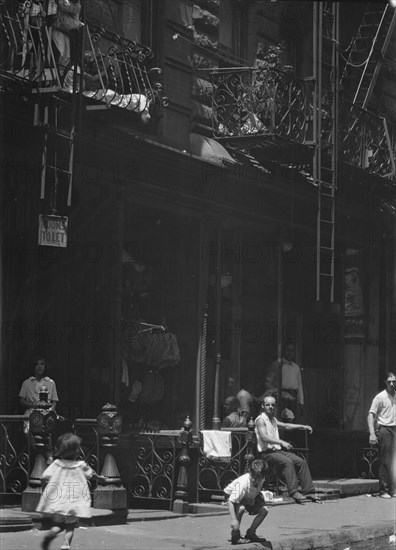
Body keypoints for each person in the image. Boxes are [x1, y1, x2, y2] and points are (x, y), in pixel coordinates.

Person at [36, 432, 106, 550]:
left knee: (58, 525)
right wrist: (100, 478)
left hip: (59, 502)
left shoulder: (56, 464)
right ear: (76, 451)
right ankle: (66, 544)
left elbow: (43, 477)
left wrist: (45, 489)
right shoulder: (80, 464)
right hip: (74, 502)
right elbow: (92, 474)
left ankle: (52, 532)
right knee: (70, 526)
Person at [255, 396, 320, 504]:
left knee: (301, 462)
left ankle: (309, 491)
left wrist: (302, 426)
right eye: (268, 405)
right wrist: (281, 442)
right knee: (288, 462)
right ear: (263, 406)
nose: (270, 407)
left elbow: (285, 425)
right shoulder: (261, 420)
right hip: (266, 453)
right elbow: (264, 437)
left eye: (272, 405)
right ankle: (293, 491)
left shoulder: (273, 419)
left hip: (277, 451)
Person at [224, 458, 269, 544]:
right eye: (254, 477)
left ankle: (251, 533)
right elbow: (231, 501)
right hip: (233, 496)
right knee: (241, 508)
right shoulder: (243, 483)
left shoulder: (262, 479)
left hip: (249, 497)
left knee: (264, 510)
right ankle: (235, 535)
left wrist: (253, 499)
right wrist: (234, 519)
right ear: (251, 474)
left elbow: (254, 491)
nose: (256, 480)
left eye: (259, 478)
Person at [367, 372, 396, 499]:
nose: (392, 384)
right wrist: (372, 433)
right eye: (389, 381)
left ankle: (393, 489)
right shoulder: (380, 397)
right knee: (386, 460)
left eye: (394, 381)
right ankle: (383, 489)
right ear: (385, 382)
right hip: (385, 429)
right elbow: (371, 415)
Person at [264, 344, 304, 421]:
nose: (290, 353)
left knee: (292, 422)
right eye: (288, 350)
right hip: (280, 398)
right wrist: (277, 394)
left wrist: (301, 402)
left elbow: (299, 385)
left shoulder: (296, 367)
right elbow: (268, 384)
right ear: (284, 352)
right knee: (281, 421)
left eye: (292, 351)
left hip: (293, 399)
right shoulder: (276, 365)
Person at [19, 356, 59, 434]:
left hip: (47, 412)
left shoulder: (51, 383)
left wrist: (51, 410)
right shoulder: (27, 383)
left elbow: (54, 401)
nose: (39, 366)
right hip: (31, 412)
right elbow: (22, 400)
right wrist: (33, 405)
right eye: (37, 364)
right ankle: (31, 446)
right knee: (27, 431)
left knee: (51, 430)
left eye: (42, 364)